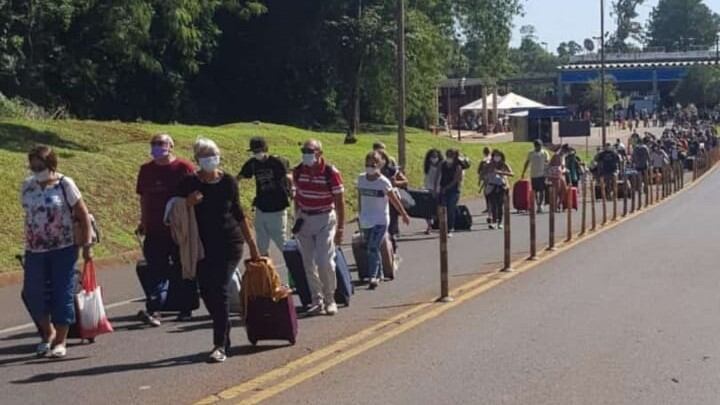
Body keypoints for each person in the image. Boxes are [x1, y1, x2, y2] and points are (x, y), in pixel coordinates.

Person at [177, 138, 261, 363]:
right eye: (204, 156)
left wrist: (252, 245)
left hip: (229, 243)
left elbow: (238, 213)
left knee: (221, 288)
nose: (209, 159)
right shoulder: (189, 183)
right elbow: (174, 209)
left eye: (213, 155)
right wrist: (188, 202)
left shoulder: (228, 182)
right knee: (206, 291)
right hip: (203, 247)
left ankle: (219, 345)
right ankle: (225, 332)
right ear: (197, 160)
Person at [21, 145, 93, 358]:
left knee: (62, 294)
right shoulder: (27, 186)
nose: (36, 169)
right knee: (32, 293)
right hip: (35, 249)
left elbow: (83, 215)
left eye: (40, 165)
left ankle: (60, 340)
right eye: (33, 166)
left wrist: (87, 246)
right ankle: (47, 332)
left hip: (63, 248)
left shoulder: (65, 184)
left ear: (51, 164)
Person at [136, 133, 195, 326]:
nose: (157, 147)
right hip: (154, 228)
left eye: (161, 143)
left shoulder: (183, 168)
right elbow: (143, 197)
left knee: (182, 267)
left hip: (179, 229)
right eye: (154, 144)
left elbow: (195, 195)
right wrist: (143, 221)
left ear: (171, 145)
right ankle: (154, 308)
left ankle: (185, 308)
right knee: (155, 269)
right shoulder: (146, 170)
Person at [292, 139, 345, 316]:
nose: (306, 154)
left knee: (324, 261)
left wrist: (340, 229)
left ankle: (330, 299)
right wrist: (297, 219)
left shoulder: (330, 172)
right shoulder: (299, 171)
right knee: (308, 262)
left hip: (324, 218)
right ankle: (317, 299)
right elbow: (297, 197)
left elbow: (339, 202)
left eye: (310, 151)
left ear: (319, 153)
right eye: (304, 150)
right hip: (305, 218)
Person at [238, 137, 292, 283]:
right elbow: (240, 176)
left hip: (277, 208)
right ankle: (268, 279)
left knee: (284, 246)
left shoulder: (277, 162)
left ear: (265, 149)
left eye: (259, 150)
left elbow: (289, 177)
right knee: (261, 247)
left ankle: (294, 276)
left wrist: (292, 193)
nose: (257, 153)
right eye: (254, 151)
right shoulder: (253, 164)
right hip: (261, 208)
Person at [357, 152, 410, 289]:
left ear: (380, 165)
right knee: (372, 247)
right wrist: (360, 215)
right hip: (366, 219)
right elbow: (360, 199)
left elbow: (394, 199)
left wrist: (403, 214)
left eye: (373, 164)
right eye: (367, 164)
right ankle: (380, 273)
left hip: (380, 220)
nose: (370, 167)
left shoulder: (383, 182)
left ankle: (373, 276)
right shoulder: (361, 179)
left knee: (372, 247)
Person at [372, 142, 407, 255]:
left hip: (391, 201)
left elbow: (405, 181)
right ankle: (381, 251)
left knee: (391, 228)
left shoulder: (391, 169)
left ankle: (392, 250)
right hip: (377, 202)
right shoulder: (370, 169)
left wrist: (395, 182)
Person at [485, 150, 514, 229]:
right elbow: (484, 173)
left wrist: (501, 172)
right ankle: (494, 222)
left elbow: (512, 173)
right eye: (495, 156)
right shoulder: (489, 164)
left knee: (500, 205)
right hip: (492, 186)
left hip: (501, 186)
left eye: (498, 156)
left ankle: (500, 222)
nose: (496, 158)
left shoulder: (504, 164)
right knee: (493, 205)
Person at [439, 149, 463, 237]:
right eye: (447, 155)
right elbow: (439, 175)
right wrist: (437, 187)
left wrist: (447, 187)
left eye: (450, 155)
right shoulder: (443, 165)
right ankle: (443, 227)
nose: (449, 157)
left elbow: (456, 179)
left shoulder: (458, 166)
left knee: (450, 209)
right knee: (442, 208)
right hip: (443, 189)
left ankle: (450, 228)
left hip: (454, 191)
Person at [521, 140, 550, 213]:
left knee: (542, 190)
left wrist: (547, 173)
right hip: (534, 175)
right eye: (537, 146)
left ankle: (541, 204)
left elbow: (547, 163)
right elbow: (527, 162)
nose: (538, 147)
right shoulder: (531, 153)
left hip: (542, 174)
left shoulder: (544, 153)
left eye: (540, 145)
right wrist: (523, 172)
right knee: (535, 191)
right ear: (535, 146)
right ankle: (537, 203)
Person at [422, 149, 443, 234]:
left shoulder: (441, 166)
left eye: (435, 156)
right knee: (426, 209)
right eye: (432, 156)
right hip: (428, 188)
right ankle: (429, 225)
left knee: (437, 209)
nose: (434, 158)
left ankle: (440, 225)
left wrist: (436, 189)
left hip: (437, 189)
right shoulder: (428, 166)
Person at [547, 145, 568, 211]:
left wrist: (564, 169)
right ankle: (554, 206)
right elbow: (552, 165)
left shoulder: (563, 156)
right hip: (555, 175)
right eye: (564, 151)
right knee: (556, 191)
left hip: (561, 174)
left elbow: (562, 166)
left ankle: (559, 204)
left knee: (564, 190)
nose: (564, 152)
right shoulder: (556, 156)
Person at [477, 147, 492, 218]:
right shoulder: (492, 159)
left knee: (487, 193)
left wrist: (480, 179)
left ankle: (488, 207)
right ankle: (490, 207)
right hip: (492, 178)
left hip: (486, 178)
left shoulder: (484, 160)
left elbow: (479, 171)